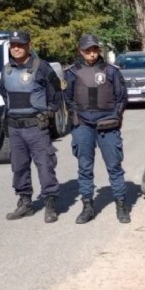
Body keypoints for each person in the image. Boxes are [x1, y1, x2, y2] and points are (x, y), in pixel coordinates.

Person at [63, 34, 130, 224]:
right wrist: (76, 116)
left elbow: (121, 97)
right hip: (83, 126)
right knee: (84, 167)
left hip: (108, 125)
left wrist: (115, 117)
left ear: (99, 50)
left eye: (94, 49)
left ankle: (121, 204)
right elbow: (67, 98)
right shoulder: (72, 72)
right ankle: (87, 206)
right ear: (80, 51)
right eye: (87, 50)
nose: (91, 54)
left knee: (114, 166)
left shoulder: (111, 71)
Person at [0, 30, 61, 223]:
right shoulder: (6, 69)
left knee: (45, 166)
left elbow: (55, 93)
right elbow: (4, 93)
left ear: (29, 46)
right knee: (19, 167)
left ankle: (50, 204)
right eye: (14, 45)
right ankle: (25, 202)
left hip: (36, 127)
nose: (16, 48)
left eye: (21, 45)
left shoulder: (42, 67)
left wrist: (49, 114)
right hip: (15, 128)